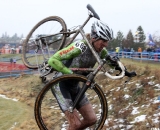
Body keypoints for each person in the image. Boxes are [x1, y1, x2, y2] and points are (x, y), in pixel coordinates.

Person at [45, 20, 114, 129]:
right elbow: (52, 60)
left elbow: (113, 64)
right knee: (75, 124)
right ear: (94, 37)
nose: (105, 44)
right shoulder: (80, 46)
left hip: (75, 87)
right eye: (103, 41)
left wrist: (125, 71)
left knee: (91, 119)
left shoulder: (102, 51)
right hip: (61, 85)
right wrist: (69, 73)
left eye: (107, 42)